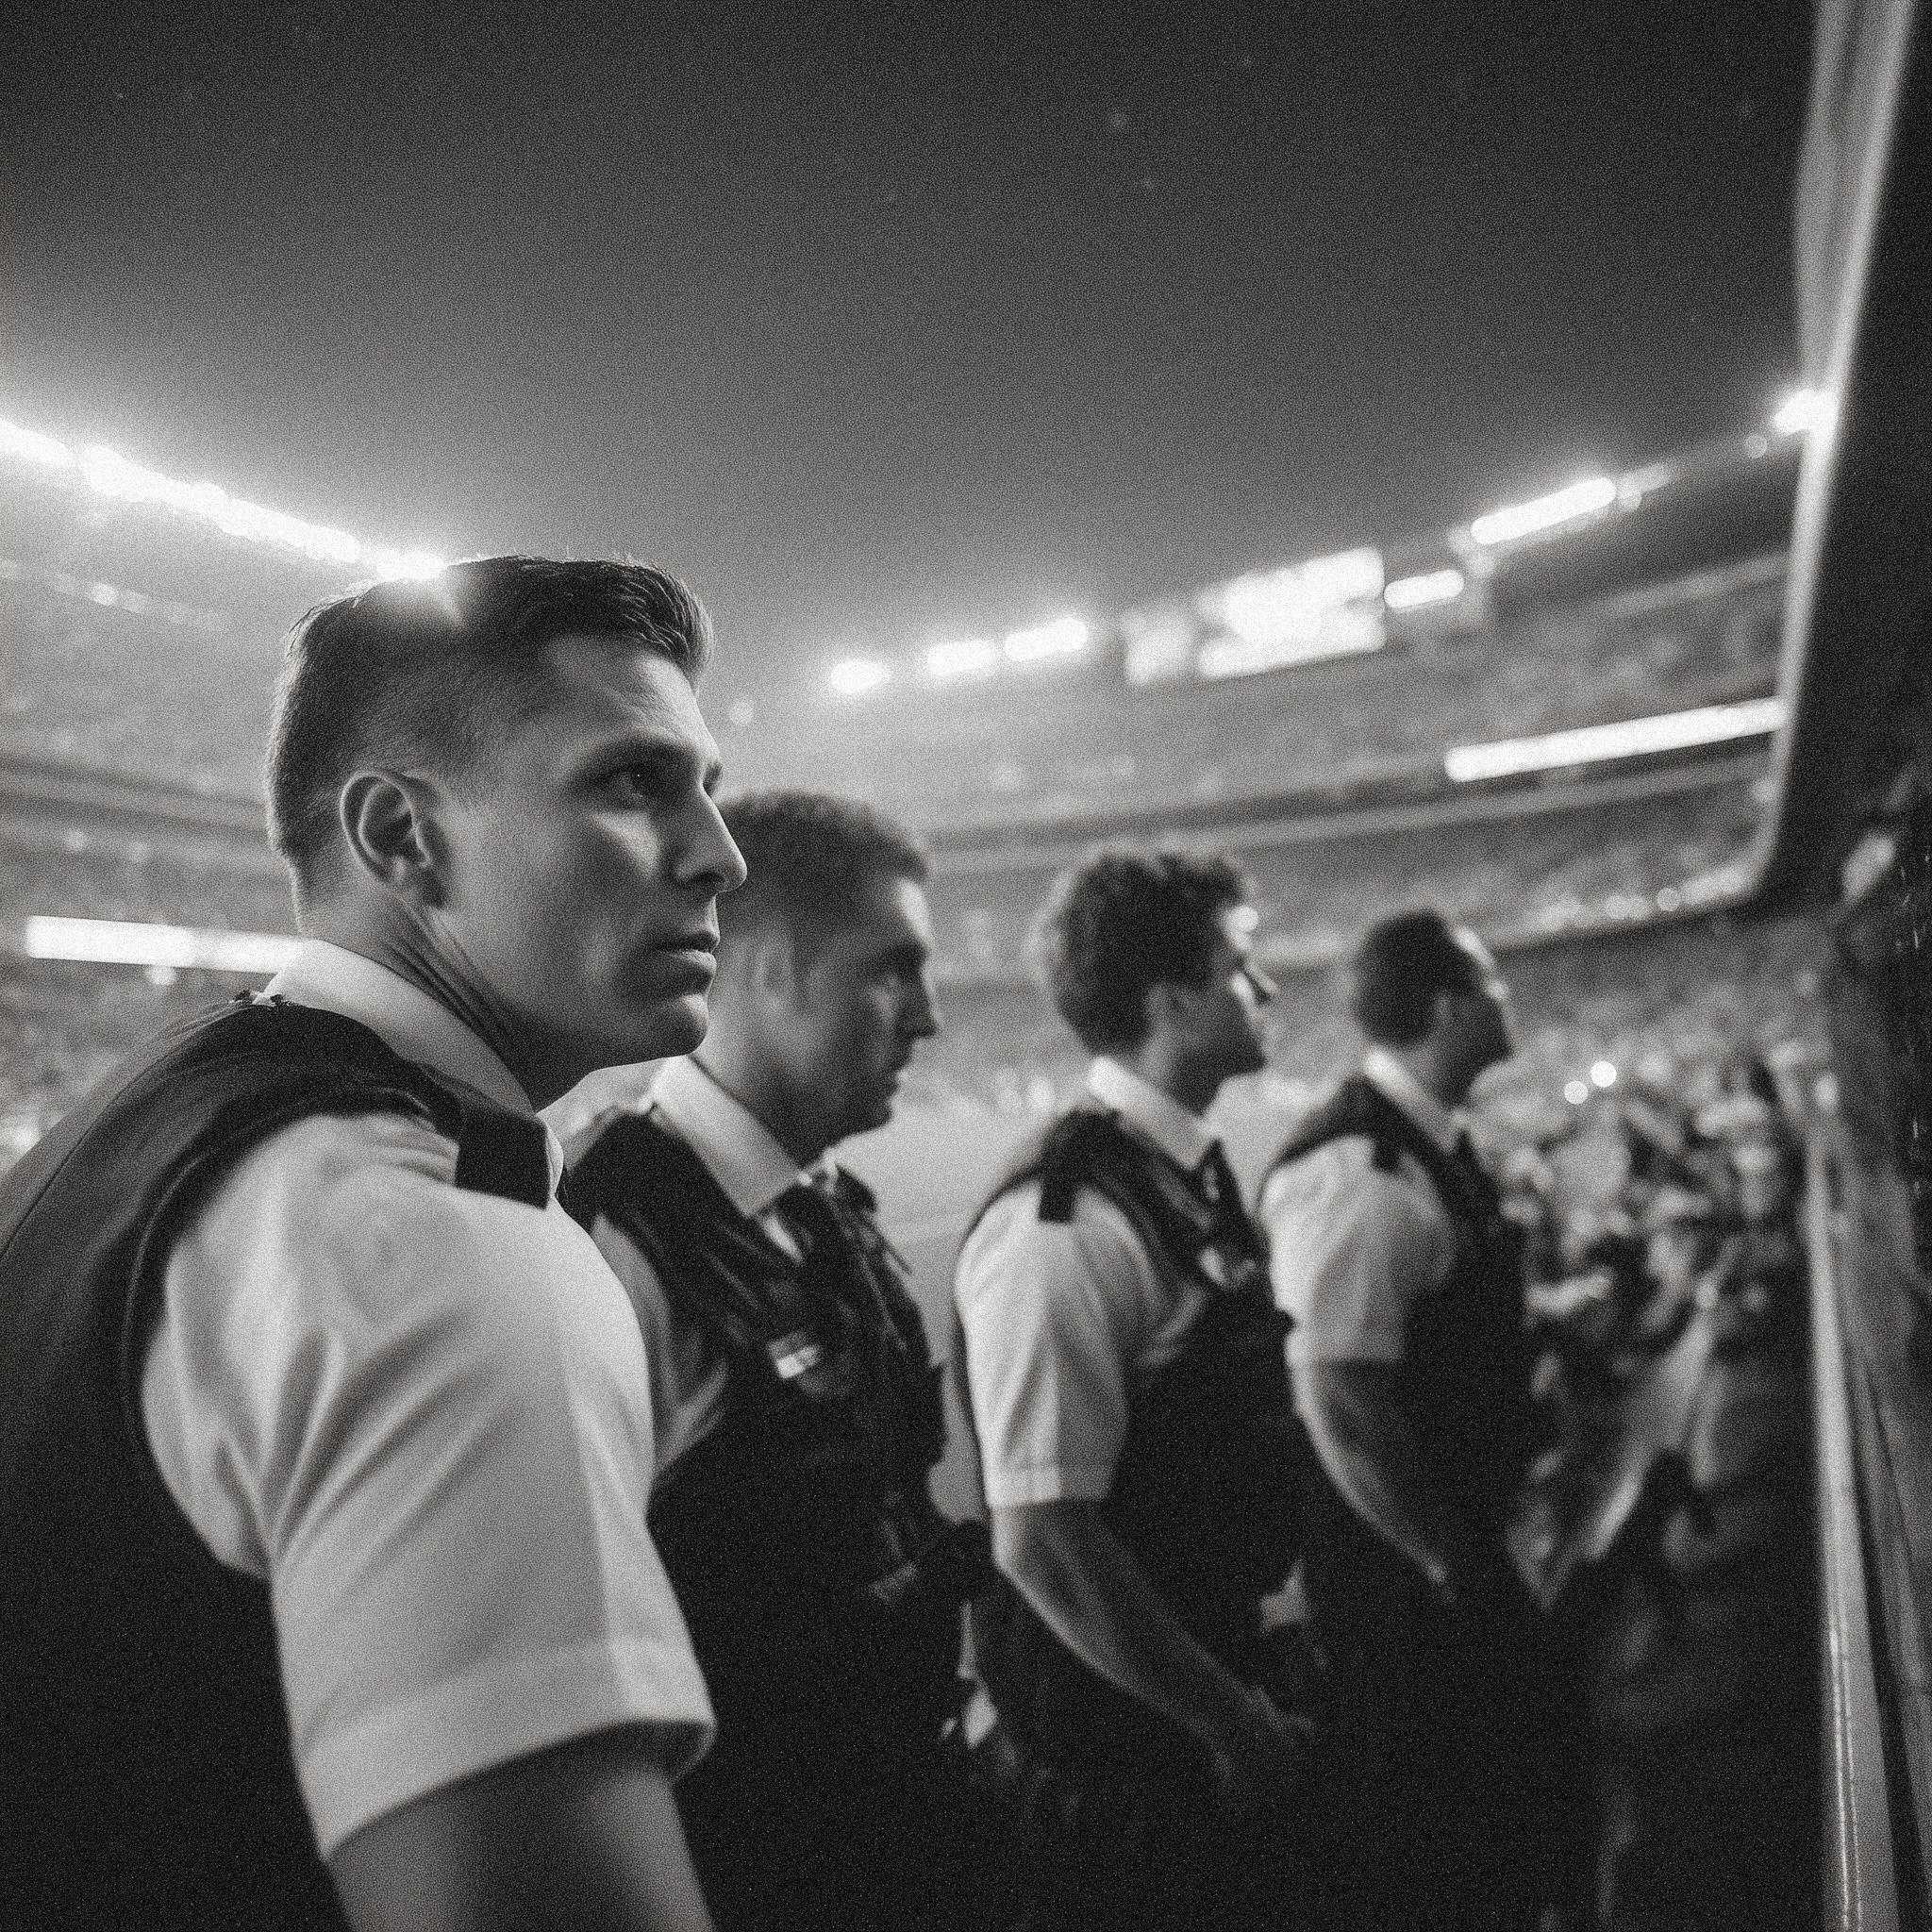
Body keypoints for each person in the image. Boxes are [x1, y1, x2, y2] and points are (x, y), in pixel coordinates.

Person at [0, 557, 750, 1931]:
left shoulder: (123, 1140)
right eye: (634, 783)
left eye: (707, 785)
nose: (719, 850)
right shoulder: (440, 1251)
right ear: (403, 838)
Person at [560, 790, 990, 1932]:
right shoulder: (612, 1249)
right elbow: (562, 1684)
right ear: (771, 968)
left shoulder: (823, 1210)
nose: (928, 1017)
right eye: (892, 970)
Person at [953, 848, 1308, 1932]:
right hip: (1133, 1763)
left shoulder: (1170, 1178)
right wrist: (1235, 1725)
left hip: (1201, 1693)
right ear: (1170, 1000)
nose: (1268, 989)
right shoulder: (1065, 1227)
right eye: (1241, 966)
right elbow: (1045, 1541)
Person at [1259, 908, 1578, 1930]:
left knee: (1510, 1821)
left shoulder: (1419, 1148)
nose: (1505, 998)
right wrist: (1450, 1563)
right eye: (1489, 982)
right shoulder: (1362, 1173)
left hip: (1449, 1552)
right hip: (1405, 1594)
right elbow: (1340, 1403)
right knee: (1456, 1846)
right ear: (1447, 1004)